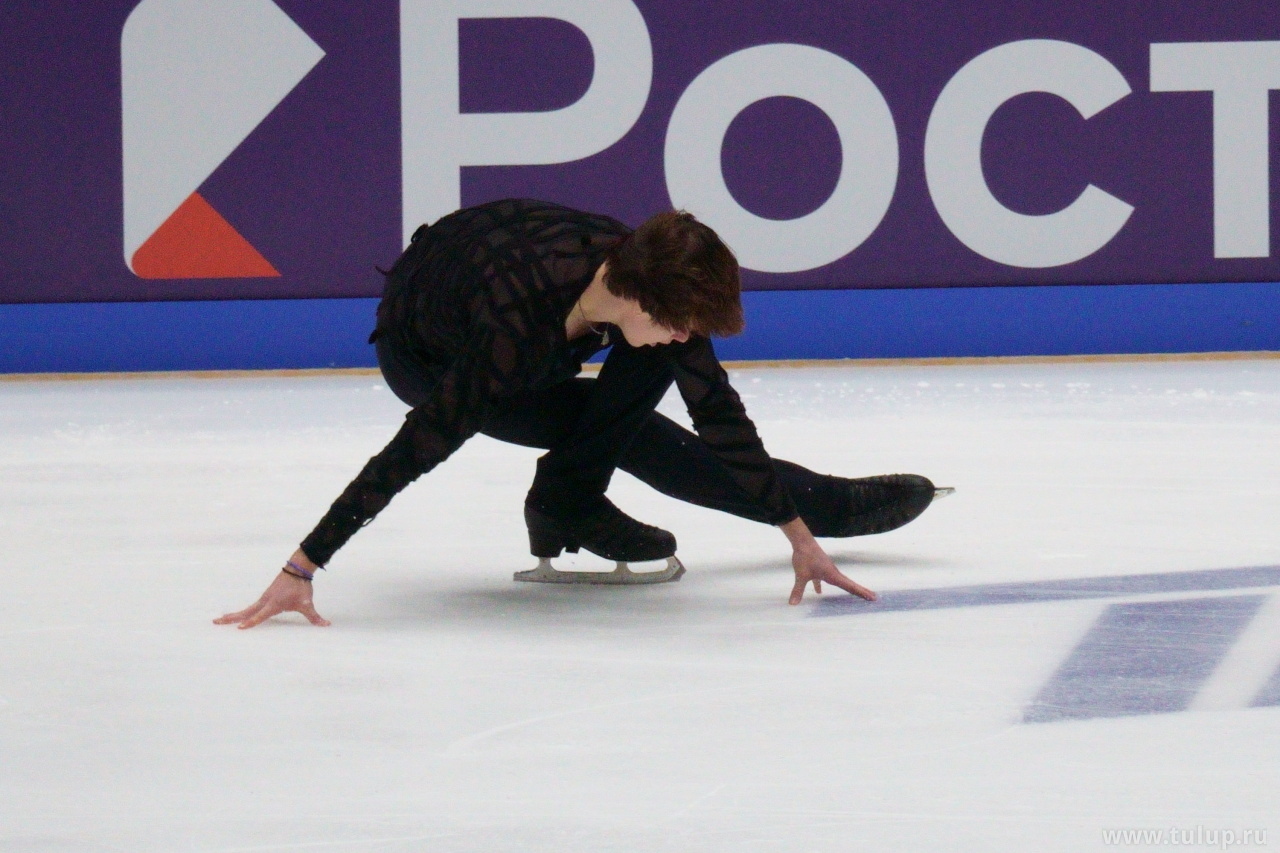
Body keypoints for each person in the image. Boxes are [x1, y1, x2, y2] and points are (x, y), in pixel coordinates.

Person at [215, 199, 939, 630]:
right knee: (643, 436)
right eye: (682, 324)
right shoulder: (510, 331)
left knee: (656, 382)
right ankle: (567, 500)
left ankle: (574, 498)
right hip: (429, 355)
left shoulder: (648, 272)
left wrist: (797, 535)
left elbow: (718, 414)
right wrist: (303, 563)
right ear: (638, 301)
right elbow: (417, 447)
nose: (690, 336)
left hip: (519, 311)